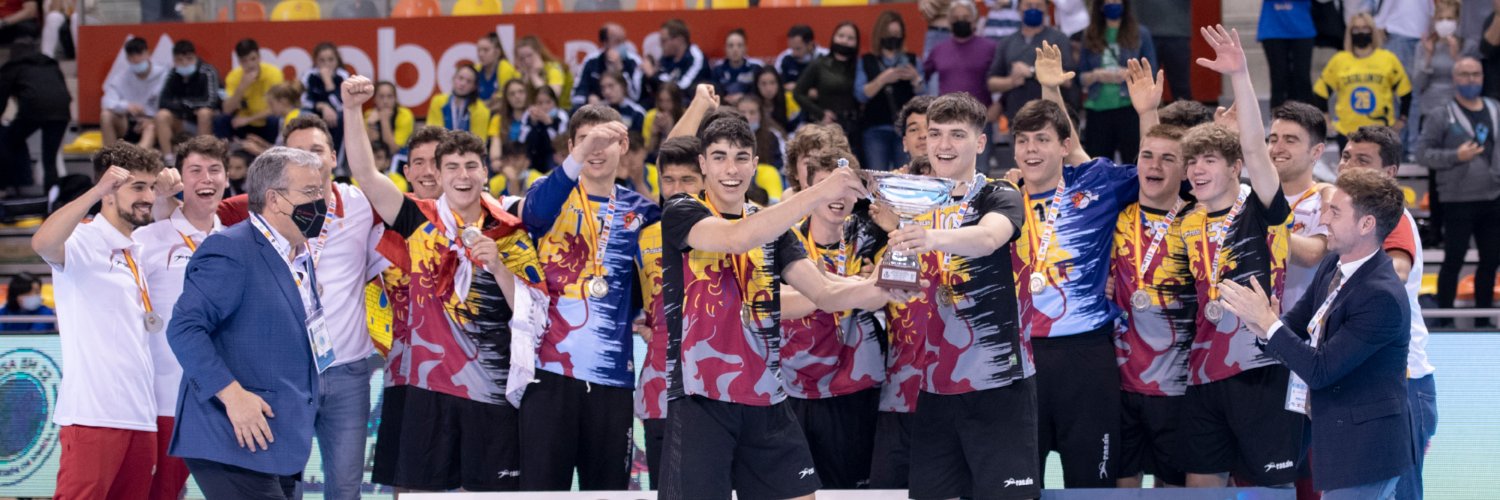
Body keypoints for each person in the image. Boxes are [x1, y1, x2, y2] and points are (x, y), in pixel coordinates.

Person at [658, 110, 907, 500]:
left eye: (742, 157)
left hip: (767, 396)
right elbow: (737, 237)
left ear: (755, 165)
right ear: (703, 163)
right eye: (719, 156)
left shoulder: (772, 227)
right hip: (701, 398)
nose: (731, 168)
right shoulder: (683, 210)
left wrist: (886, 287)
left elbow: (825, 293)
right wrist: (821, 191)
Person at [346, 76, 543, 493]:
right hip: (429, 387)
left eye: (471, 166)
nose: (462, 175)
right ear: (437, 172)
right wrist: (351, 110)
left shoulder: (509, 231)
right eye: (452, 167)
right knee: (424, 495)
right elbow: (365, 173)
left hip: (492, 389)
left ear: (485, 172)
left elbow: (536, 311)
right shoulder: (418, 219)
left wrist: (500, 270)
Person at [1217, 167, 1414, 499]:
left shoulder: (1381, 295)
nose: (1323, 218)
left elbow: (1321, 369)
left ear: (1366, 225)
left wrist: (1268, 324)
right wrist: (1261, 325)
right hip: (1338, 440)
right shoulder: (1332, 265)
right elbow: (1291, 326)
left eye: (1335, 211)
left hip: (1366, 451)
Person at [216, 115, 382, 500]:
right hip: (284, 373)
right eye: (296, 153)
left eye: (317, 150)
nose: (309, 160)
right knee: (282, 484)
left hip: (347, 372)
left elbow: (412, 210)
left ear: (334, 157)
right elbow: (207, 211)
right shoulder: (264, 205)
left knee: (344, 488)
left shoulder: (360, 203)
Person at [886, 92, 1032, 500]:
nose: (944, 145)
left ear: (980, 143)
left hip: (997, 381)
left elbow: (989, 237)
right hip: (934, 383)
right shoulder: (914, 204)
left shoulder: (999, 194)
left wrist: (930, 236)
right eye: (935, 134)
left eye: (957, 134)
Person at [1180, 25, 1304, 489]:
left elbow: (1254, 145)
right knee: (1200, 485)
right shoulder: (1187, 221)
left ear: (1235, 168)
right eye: (1193, 162)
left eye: (1210, 159)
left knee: (1268, 490)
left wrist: (1241, 76)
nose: (1197, 168)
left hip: (1262, 370)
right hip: (1203, 373)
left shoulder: (1264, 209)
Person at [165, 147, 327, 499]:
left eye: (321, 190)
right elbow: (184, 328)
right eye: (310, 192)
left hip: (280, 437)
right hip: (231, 434)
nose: (321, 201)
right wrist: (232, 395)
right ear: (275, 199)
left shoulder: (300, 254)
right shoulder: (230, 249)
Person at [516, 105, 660, 491]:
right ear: (570, 147)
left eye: (606, 140)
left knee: (608, 493)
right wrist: (576, 159)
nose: (596, 150)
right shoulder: (551, 195)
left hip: (612, 382)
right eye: (585, 141)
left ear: (624, 144)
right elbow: (531, 216)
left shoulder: (644, 213)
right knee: (541, 494)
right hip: (548, 375)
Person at [1011, 40, 1134, 489]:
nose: (1030, 150)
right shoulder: (999, 200)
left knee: (1090, 483)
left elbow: (1162, 179)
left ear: (1063, 147)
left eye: (1041, 140)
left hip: (1086, 355)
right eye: (1021, 141)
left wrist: (1050, 90)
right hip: (1020, 356)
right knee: (1020, 484)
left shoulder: (1096, 186)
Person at [32, 143, 166, 498]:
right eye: (138, 187)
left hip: (139, 414)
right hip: (93, 415)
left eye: (151, 187)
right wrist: (95, 190)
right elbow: (42, 242)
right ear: (109, 192)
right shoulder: (82, 239)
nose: (148, 196)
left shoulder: (135, 247)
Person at [1338, 124, 1439, 500]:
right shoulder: (1352, 217)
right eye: (1346, 156)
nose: (1348, 166)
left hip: (1402, 383)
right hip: (1369, 380)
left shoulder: (1391, 218)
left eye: (1362, 160)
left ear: (1390, 173)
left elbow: (1391, 277)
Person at [780, 151, 887, 489]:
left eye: (846, 188)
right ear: (807, 188)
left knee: (853, 492)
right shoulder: (783, 239)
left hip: (855, 388)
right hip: (792, 390)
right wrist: (858, 286)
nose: (837, 198)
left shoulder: (871, 236)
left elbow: (895, 284)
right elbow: (774, 303)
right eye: (825, 186)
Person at [1110, 57, 1194, 489]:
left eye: (1168, 159)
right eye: (1146, 156)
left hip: (1179, 388)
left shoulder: (1198, 221)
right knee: (1122, 489)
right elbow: (1071, 157)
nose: (1154, 165)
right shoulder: (1118, 213)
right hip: (1120, 386)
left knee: (1173, 491)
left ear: (1187, 170)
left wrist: (1149, 114)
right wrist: (1146, 113)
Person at [134, 136, 227, 500]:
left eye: (214, 170)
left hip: (226, 398)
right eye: (196, 170)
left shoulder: (239, 240)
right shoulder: (147, 239)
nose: (206, 178)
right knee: (162, 493)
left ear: (226, 178)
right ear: (179, 180)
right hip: (166, 398)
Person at [632, 136, 701, 490]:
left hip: (714, 389)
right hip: (659, 387)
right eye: (668, 180)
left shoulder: (727, 232)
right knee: (664, 489)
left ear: (704, 179)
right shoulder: (643, 237)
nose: (676, 190)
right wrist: (639, 324)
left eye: (687, 179)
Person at [1419, 56, 1500, 321]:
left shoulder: (1495, 109)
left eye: (1475, 74)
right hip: (1456, 200)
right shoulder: (1441, 114)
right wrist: (1456, 156)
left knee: (1491, 261)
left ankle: (1484, 318)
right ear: (1454, 79)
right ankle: (1444, 318)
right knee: (1453, 260)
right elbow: (1422, 154)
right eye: (1464, 74)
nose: (1471, 79)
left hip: (1493, 197)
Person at [1314, 13, 1413, 148]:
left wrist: (1402, 120)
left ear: (1373, 31)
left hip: (1380, 132)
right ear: (1350, 33)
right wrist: (1327, 119)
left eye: (1365, 28)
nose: (1361, 32)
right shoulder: (1339, 60)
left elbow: (1405, 92)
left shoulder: (1387, 59)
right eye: (1356, 29)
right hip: (1347, 132)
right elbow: (1320, 91)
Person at [1268, 101, 1333, 308]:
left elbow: (1312, 254)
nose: (1277, 148)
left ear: (1316, 151)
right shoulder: (1254, 199)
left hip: (1304, 329)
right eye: (1273, 139)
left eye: (1290, 140)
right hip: (1252, 327)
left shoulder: (1327, 202)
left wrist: (1258, 227)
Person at [1078, 0, 1157, 163]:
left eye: (1116, 0)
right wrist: (1097, 75)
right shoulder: (1089, 34)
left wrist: (1128, 73)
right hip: (1097, 108)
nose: (1112, 4)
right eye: (1108, 1)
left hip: (1130, 107)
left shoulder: (1141, 33)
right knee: (1097, 167)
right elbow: (1081, 78)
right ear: (1100, 5)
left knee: (1134, 163)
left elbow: (1152, 73)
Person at [0, 35, 69, 192]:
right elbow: (63, 91)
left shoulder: (13, 66)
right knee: (49, 160)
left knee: (8, 142)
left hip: (33, 110)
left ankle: (10, 187)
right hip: (61, 112)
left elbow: (1, 97)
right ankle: (51, 200)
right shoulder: (50, 64)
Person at [857, 10, 923, 171]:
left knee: (907, 174)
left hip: (905, 129)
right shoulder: (867, 61)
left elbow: (925, 98)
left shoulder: (912, 60)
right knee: (877, 173)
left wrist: (915, 79)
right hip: (875, 127)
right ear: (880, 34)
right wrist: (883, 79)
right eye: (889, 33)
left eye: (897, 34)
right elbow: (860, 94)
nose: (893, 37)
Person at [988, 0, 1074, 124]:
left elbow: (1068, 80)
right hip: (1017, 118)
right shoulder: (1007, 43)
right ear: (1019, 8)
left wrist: (1032, 72)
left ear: (1046, 9)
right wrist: (1011, 81)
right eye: (1028, 5)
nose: (1033, 9)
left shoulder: (1059, 39)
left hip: (1052, 118)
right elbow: (992, 83)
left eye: (1038, 6)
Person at [155, 40, 222, 164]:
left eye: (189, 58)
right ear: (174, 61)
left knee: (204, 112)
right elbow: (163, 102)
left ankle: (202, 155)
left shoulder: (207, 71)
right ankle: (169, 159)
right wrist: (186, 106)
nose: (185, 63)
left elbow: (211, 101)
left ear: (195, 57)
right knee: (162, 115)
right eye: (180, 60)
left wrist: (185, 104)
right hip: (182, 120)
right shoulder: (173, 74)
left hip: (202, 121)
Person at [795, 21, 863, 140]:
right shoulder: (820, 64)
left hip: (857, 128)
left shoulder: (860, 66)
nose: (845, 41)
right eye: (841, 36)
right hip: (829, 127)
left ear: (857, 43)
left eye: (850, 38)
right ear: (833, 38)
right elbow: (798, 92)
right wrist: (820, 113)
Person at [923, 0, 998, 108]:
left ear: (974, 20)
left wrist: (998, 106)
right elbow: (922, 76)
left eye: (965, 17)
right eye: (956, 18)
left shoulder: (990, 48)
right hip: (946, 116)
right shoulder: (938, 50)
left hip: (980, 117)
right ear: (949, 22)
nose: (960, 21)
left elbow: (1004, 76)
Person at [102, 37, 167, 151]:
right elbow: (107, 101)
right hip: (129, 122)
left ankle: (136, 159)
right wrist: (127, 106)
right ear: (127, 58)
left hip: (154, 122)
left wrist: (151, 118)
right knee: (106, 116)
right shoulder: (121, 77)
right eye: (132, 56)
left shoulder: (164, 75)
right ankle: (110, 159)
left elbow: (170, 104)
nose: (136, 59)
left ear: (148, 53)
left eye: (139, 54)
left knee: (153, 125)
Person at [217, 39, 283, 142]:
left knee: (274, 120)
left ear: (259, 57)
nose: (250, 64)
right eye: (244, 61)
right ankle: (224, 153)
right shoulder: (233, 77)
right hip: (242, 122)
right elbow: (227, 109)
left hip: (264, 121)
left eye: (253, 59)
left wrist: (249, 119)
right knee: (220, 120)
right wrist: (242, 87)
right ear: (239, 61)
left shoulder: (274, 74)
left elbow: (279, 107)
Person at [1258, 0, 1317, 108]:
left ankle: (1308, 121)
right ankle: (1277, 120)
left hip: (1302, 28)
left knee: (1302, 78)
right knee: (1278, 79)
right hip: (1273, 29)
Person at [573, 23, 644, 108]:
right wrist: (588, 99)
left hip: (625, 109)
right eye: (617, 41)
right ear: (605, 43)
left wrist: (621, 69)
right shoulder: (591, 61)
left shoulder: (634, 61)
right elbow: (578, 93)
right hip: (597, 108)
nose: (622, 46)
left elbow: (635, 96)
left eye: (623, 41)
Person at [1134, 0, 1193, 102]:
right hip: (1143, 32)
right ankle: (1145, 117)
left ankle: (1185, 116)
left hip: (1177, 32)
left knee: (1181, 87)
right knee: (1145, 84)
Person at [303, 42, 349, 145]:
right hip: (315, 111)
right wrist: (322, 106)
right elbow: (303, 100)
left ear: (337, 61)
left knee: (342, 118)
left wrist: (328, 83)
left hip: (336, 113)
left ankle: (337, 157)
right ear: (316, 62)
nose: (326, 64)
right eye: (322, 60)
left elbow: (341, 105)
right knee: (303, 115)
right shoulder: (310, 75)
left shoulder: (342, 76)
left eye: (330, 59)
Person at [427, 64, 491, 138]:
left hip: (468, 148)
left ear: (474, 87)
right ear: (453, 78)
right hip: (441, 147)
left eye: (469, 81)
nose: (463, 84)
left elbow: (479, 143)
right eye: (460, 78)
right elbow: (433, 135)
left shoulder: (481, 110)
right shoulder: (438, 101)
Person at [520, 86, 569, 173]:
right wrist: (533, 123)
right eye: (540, 103)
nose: (544, 107)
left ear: (555, 102)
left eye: (548, 102)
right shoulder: (528, 115)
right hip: (532, 154)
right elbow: (522, 140)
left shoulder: (561, 116)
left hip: (552, 155)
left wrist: (549, 124)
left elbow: (559, 144)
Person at [653, 19, 711, 92]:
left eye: (664, 41)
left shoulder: (696, 57)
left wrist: (653, 76)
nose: (661, 45)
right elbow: (663, 77)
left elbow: (683, 87)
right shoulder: (666, 58)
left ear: (679, 40)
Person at [515, 35, 571, 107]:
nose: (526, 61)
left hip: (562, 112)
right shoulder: (521, 74)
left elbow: (551, 97)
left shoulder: (553, 69)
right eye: (522, 58)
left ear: (538, 52)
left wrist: (534, 75)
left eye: (529, 55)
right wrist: (525, 79)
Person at [365, 80, 415, 159]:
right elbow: (365, 148)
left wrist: (385, 120)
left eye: (389, 96)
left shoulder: (404, 115)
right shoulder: (369, 115)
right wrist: (371, 125)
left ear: (395, 99)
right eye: (381, 97)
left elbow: (394, 150)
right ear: (375, 99)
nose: (385, 101)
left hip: (399, 160)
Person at [713, 29, 764, 104]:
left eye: (739, 45)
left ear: (745, 48)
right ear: (725, 49)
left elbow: (760, 93)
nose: (735, 49)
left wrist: (744, 97)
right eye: (731, 46)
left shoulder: (755, 68)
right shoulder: (717, 70)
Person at [776, 24, 828, 90]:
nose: (794, 53)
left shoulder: (826, 57)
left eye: (798, 48)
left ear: (810, 45)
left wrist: (799, 87)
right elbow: (776, 85)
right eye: (791, 48)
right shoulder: (784, 57)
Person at [475, 32, 522, 102]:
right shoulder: (476, 69)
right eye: (479, 50)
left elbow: (504, 100)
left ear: (497, 52)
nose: (481, 54)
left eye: (486, 50)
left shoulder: (505, 68)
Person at [755, 66, 801, 132]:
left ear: (779, 84)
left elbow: (795, 126)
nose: (768, 89)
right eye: (763, 84)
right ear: (757, 85)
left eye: (772, 83)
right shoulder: (752, 103)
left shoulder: (790, 99)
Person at [896, 95, 934, 168]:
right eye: (913, 129)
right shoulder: (892, 179)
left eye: (929, 128)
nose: (922, 135)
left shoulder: (959, 179)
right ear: (905, 143)